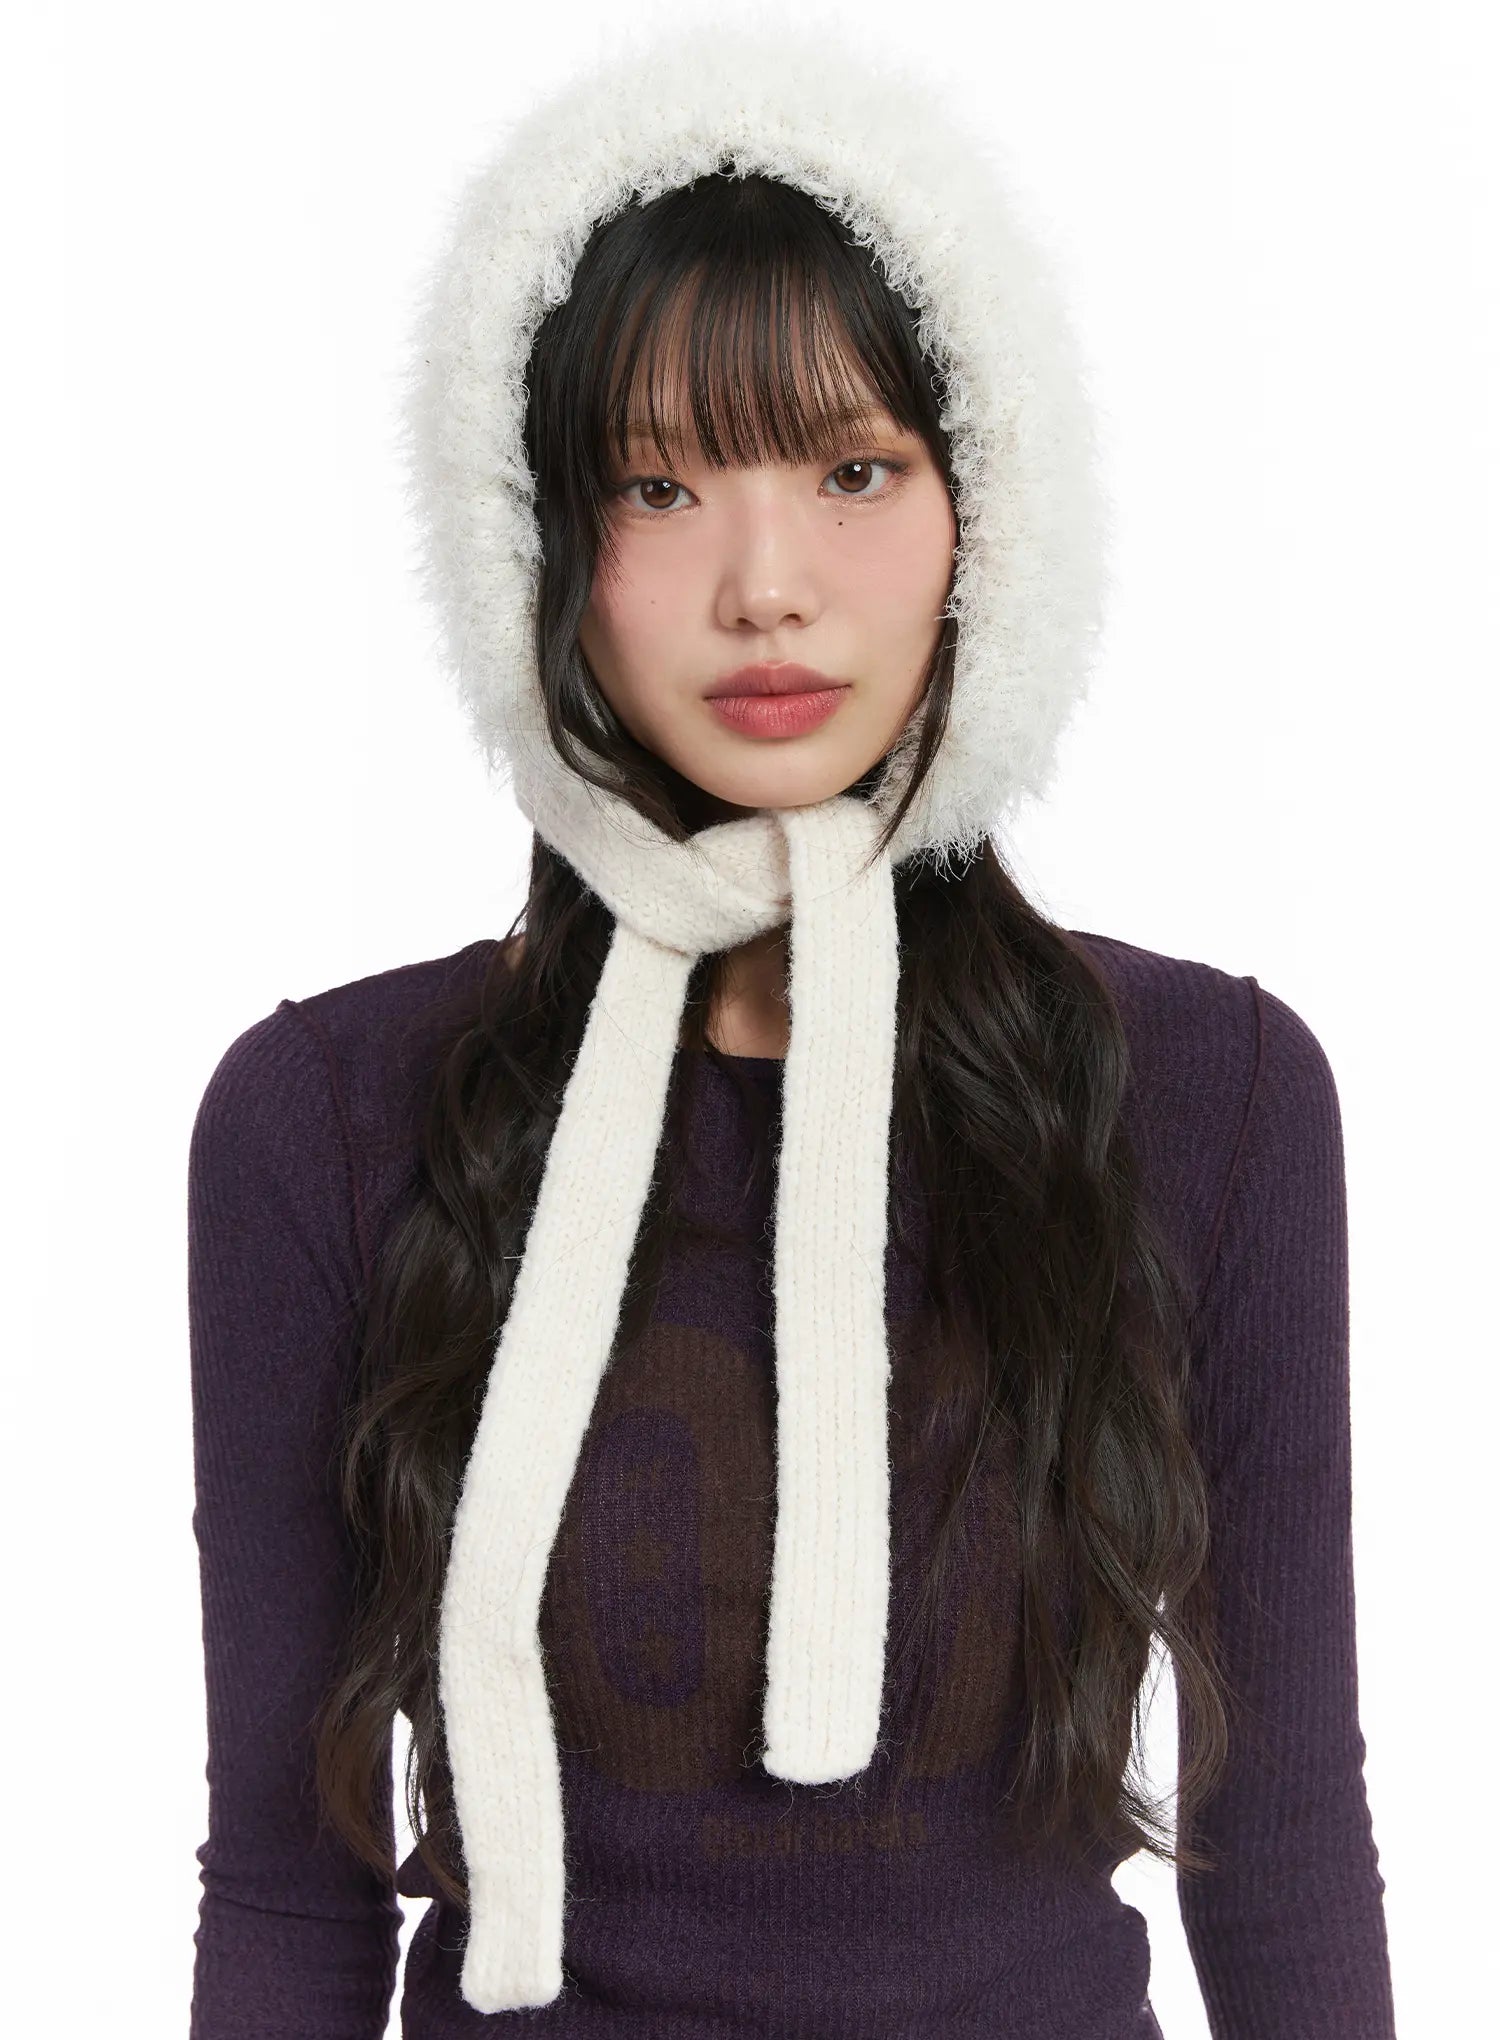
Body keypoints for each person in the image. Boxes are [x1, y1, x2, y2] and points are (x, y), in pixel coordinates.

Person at [185, 18, 1397, 2038]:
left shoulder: (1214, 1098)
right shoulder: (328, 1118)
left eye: (853, 468)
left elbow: (1276, 1841)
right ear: (534, 549)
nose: (768, 586)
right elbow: (287, 1887)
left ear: (983, 510)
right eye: (657, 484)